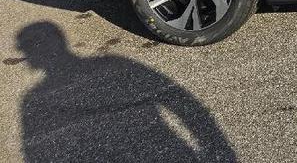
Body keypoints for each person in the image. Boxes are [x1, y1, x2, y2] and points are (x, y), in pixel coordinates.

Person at [17, 22, 237, 162]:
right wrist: (218, 148)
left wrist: (216, 147)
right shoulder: (33, 98)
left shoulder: (33, 99)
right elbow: (183, 103)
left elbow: (183, 103)